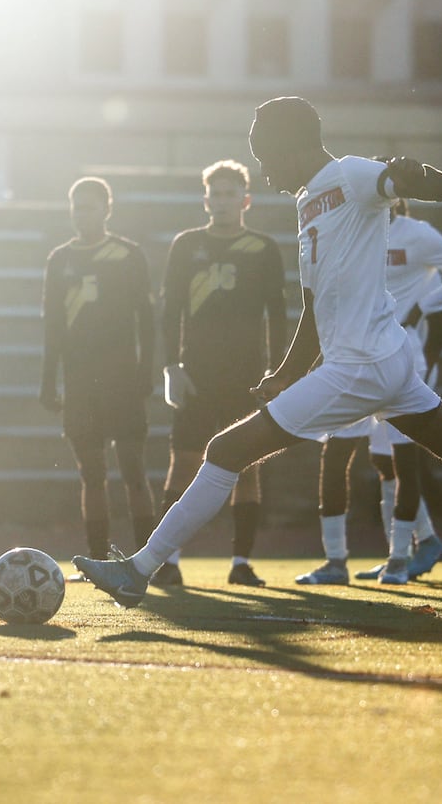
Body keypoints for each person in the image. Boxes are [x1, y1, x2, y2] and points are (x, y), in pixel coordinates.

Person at [73, 96, 442, 608]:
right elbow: (313, 310)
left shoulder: (354, 175)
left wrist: (409, 175)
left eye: (264, 154)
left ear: (292, 145)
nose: (262, 167)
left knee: (225, 449)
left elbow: (433, 187)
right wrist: (283, 374)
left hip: (361, 364)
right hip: (380, 359)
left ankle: (140, 570)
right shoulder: (306, 205)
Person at [297, 197, 442, 585]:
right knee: (344, 456)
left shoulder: (416, 235)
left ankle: (400, 559)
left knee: (402, 460)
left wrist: (422, 307)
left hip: (401, 360)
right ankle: (340, 561)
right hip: (352, 360)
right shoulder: (349, 230)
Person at [153, 160, 288, 588]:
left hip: (247, 376)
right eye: (217, 193)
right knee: (184, 464)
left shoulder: (263, 248)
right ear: (205, 199)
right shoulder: (186, 244)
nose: (224, 201)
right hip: (196, 375)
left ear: (245, 200)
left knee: (247, 469)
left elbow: (278, 315)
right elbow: (168, 311)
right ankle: (168, 561)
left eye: (232, 193)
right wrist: (171, 366)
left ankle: (241, 562)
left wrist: (278, 370)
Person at [39, 177, 156, 573]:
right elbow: (52, 325)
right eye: (76, 208)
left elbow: (147, 319)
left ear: (107, 209)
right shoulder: (59, 259)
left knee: (133, 471)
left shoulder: (127, 255)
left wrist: (145, 373)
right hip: (79, 385)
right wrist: (47, 381)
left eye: (89, 207)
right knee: (91, 474)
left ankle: (147, 559)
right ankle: (97, 560)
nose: (81, 215)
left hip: (121, 381)